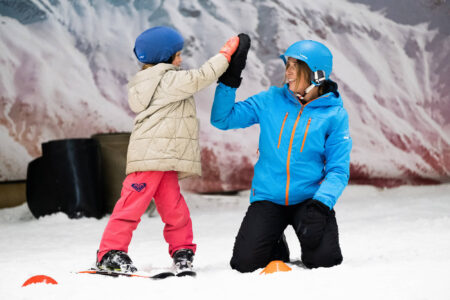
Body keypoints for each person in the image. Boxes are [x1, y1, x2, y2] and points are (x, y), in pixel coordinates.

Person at [96, 26, 240, 274]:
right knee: (131, 205)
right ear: (165, 57)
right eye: (177, 55)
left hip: (164, 159)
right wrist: (225, 54)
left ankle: (182, 250)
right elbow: (202, 76)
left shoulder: (154, 79)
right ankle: (110, 252)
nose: (180, 59)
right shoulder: (166, 79)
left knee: (174, 208)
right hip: (151, 157)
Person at [211, 36, 352, 272]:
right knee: (244, 264)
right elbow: (222, 119)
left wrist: (321, 204)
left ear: (317, 75)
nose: (288, 72)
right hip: (268, 198)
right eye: (288, 65)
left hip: (309, 199)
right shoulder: (270, 100)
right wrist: (229, 80)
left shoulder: (334, 115)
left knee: (326, 261)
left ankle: (307, 227)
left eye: (297, 67)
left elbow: (338, 169)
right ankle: (275, 239)